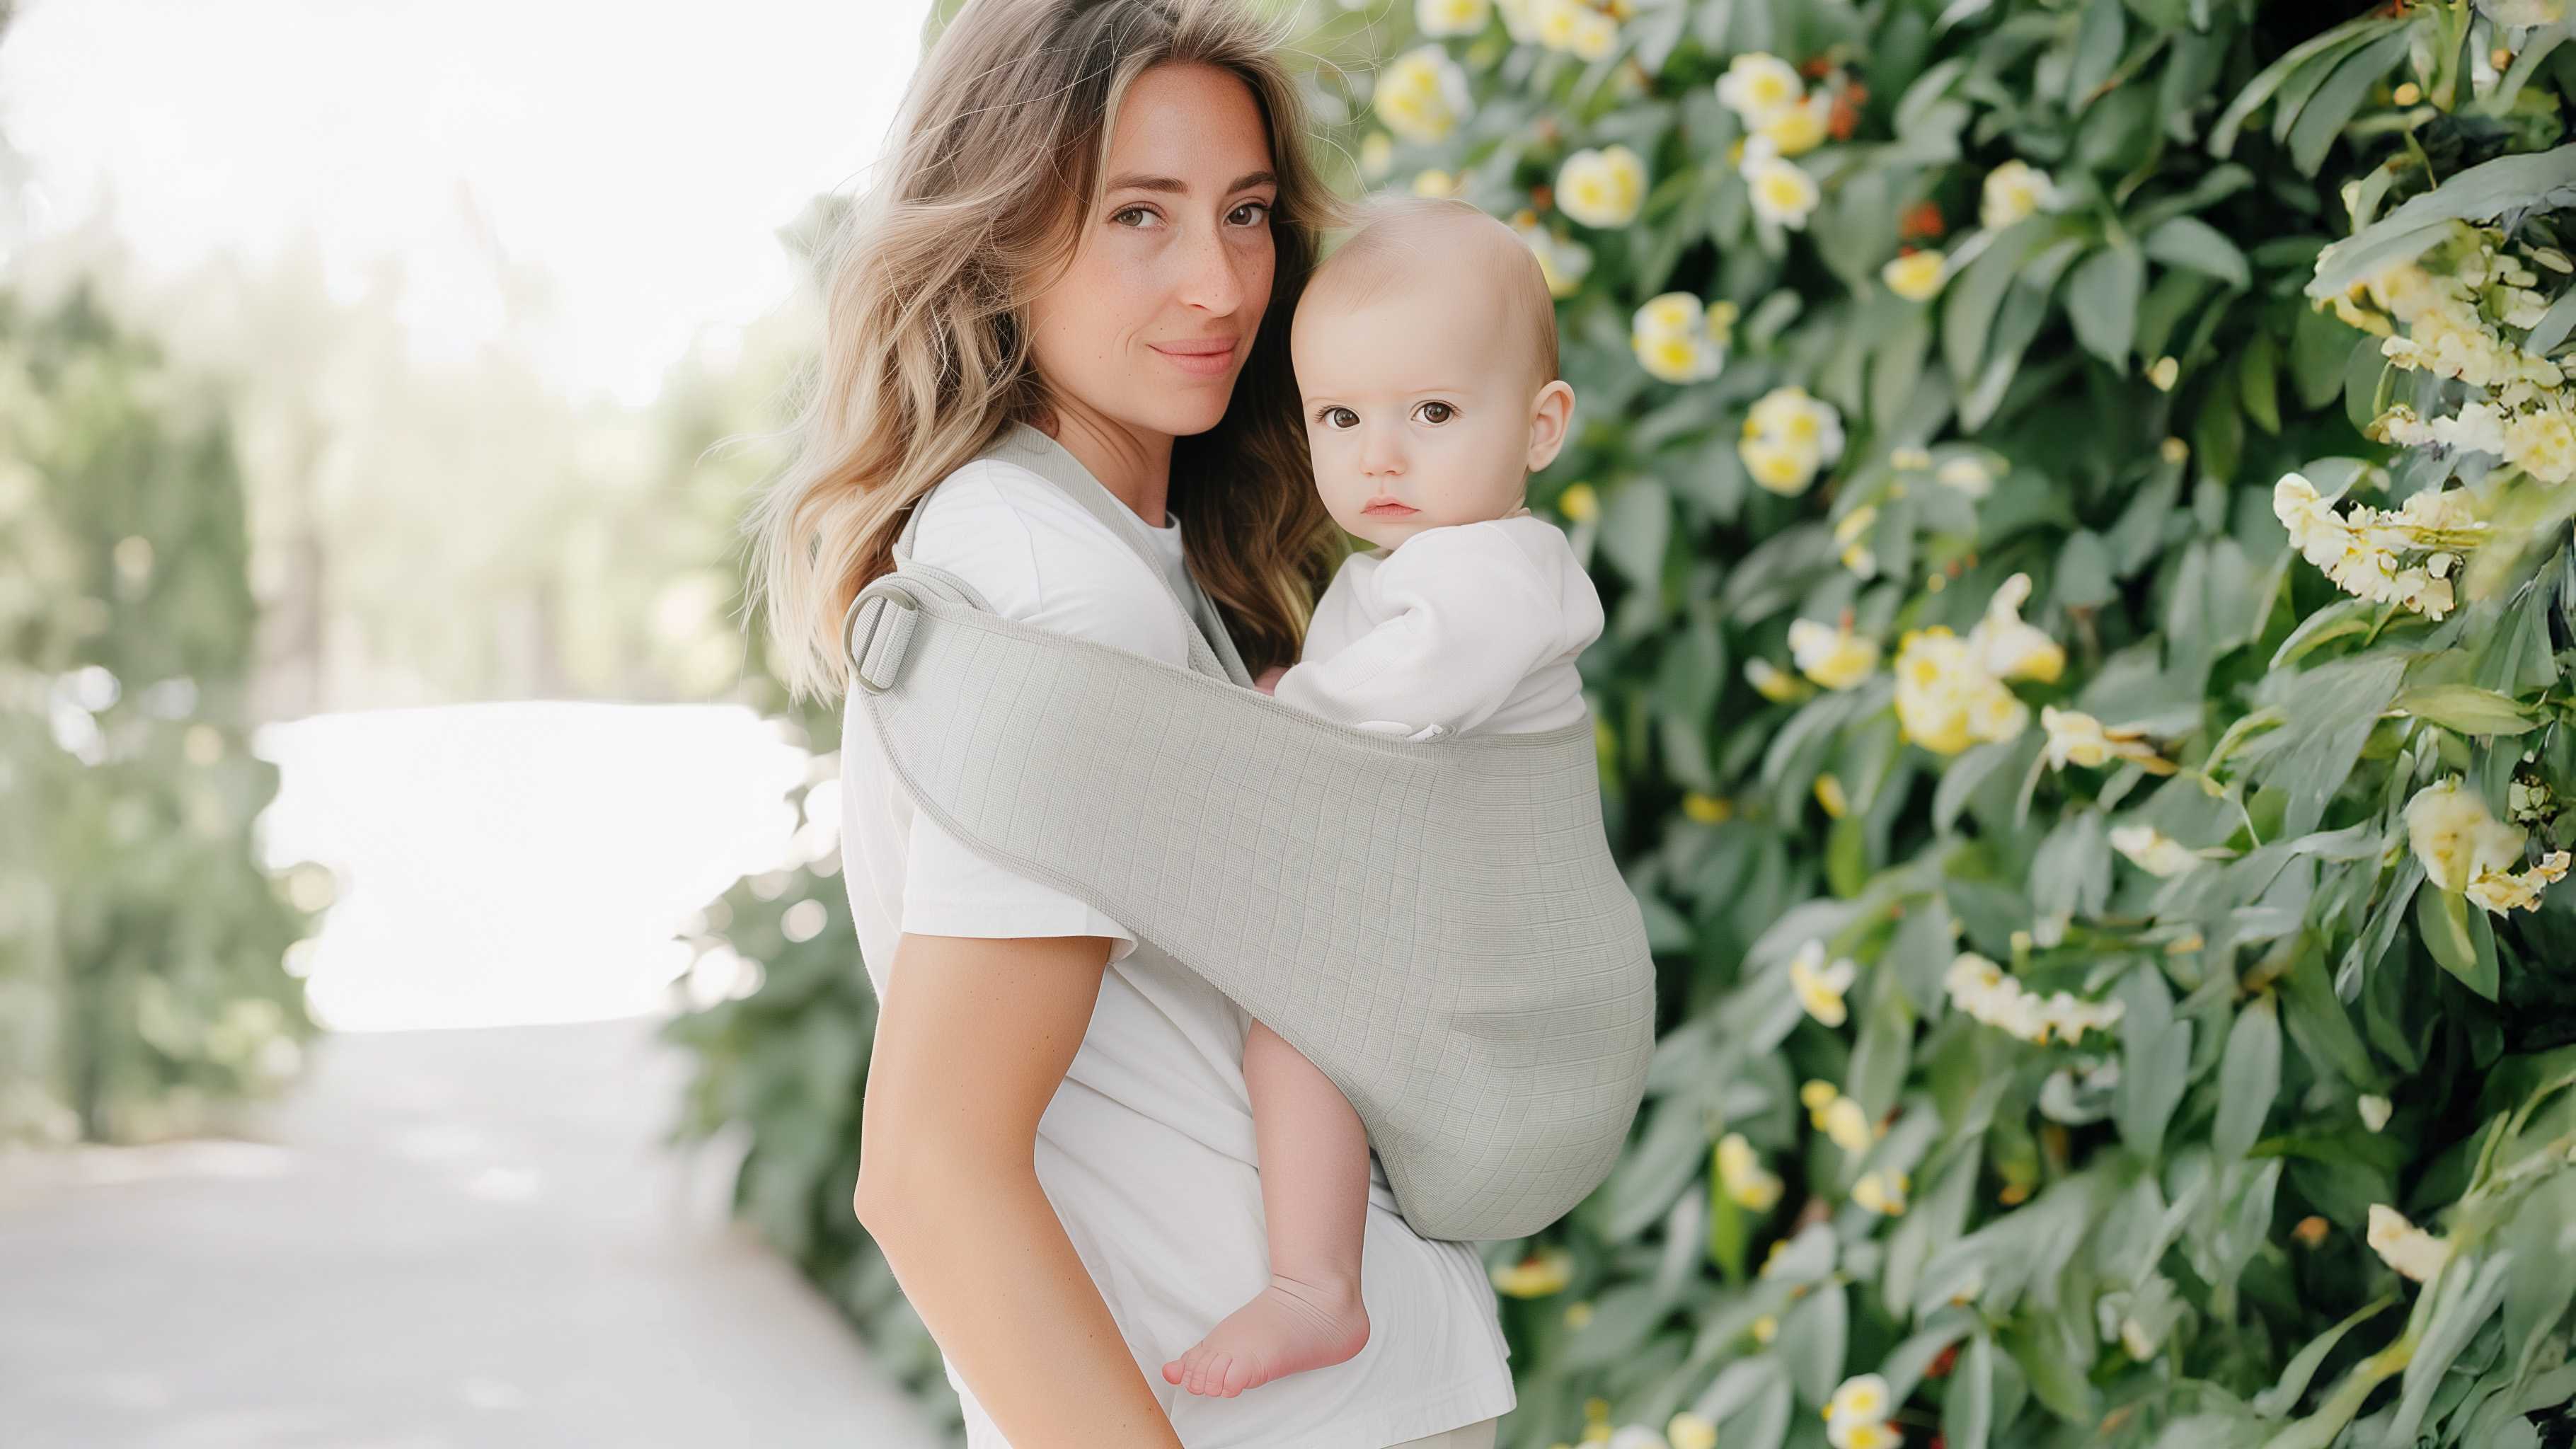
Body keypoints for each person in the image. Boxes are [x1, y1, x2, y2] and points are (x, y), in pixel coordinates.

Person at [742, 2, 1515, 1446]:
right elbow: (931, 1174)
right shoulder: (1061, 591)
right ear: (998, 237)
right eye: (1137, 215)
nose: (1218, 283)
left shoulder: (1107, 554)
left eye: (1245, 214)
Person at [1162, 196, 1599, 1399]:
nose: (1380, 456)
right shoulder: (1417, 566)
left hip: (1475, 930)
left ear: (1542, 426)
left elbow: (1391, 703)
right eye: (1341, 418)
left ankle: (1317, 1287)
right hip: (1428, 909)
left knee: (1293, 1032)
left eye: (1434, 414)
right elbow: (1366, 693)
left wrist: (1268, 719)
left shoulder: (1492, 574)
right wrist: (1294, 691)